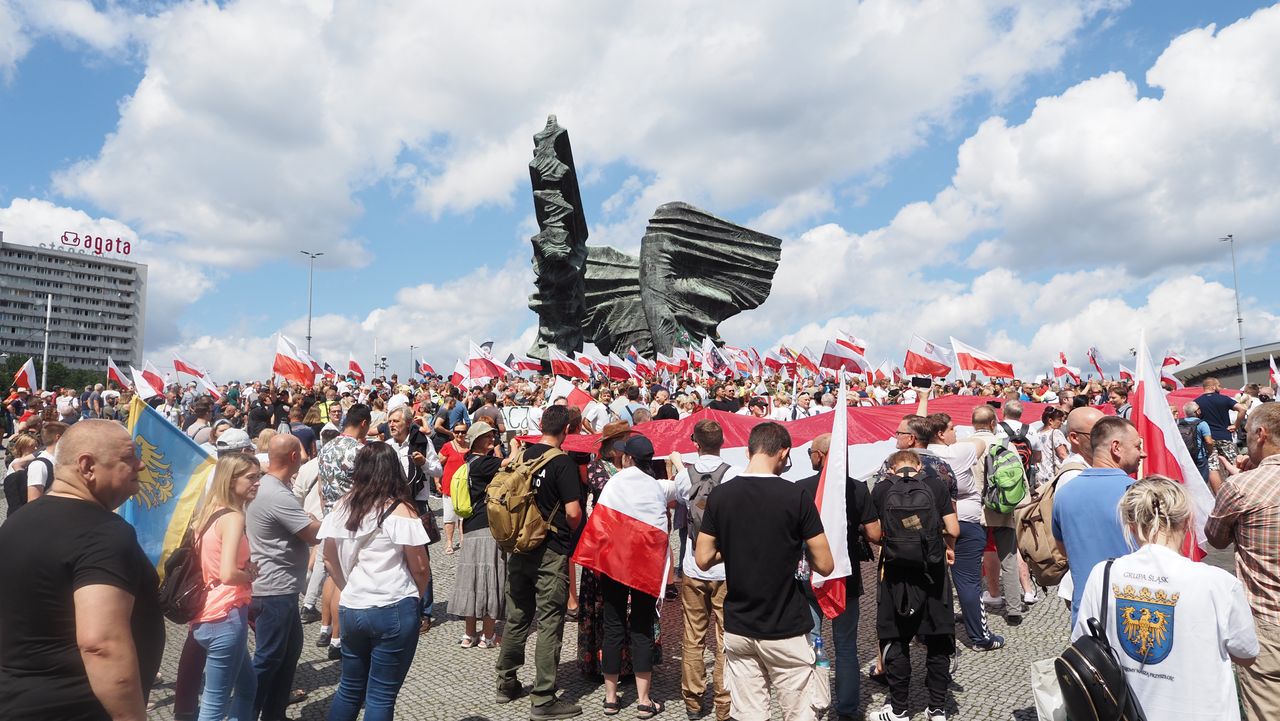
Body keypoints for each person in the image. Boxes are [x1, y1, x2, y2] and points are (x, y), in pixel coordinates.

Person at [0, 420, 165, 721]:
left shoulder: (16, 523)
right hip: (76, 709)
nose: (140, 465)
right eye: (128, 457)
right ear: (87, 466)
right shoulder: (104, 534)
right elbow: (101, 644)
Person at [1075, 477, 1257, 721]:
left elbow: (1082, 644)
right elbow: (1246, 653)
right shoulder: (1219, 583)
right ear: (1188, 521)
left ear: (1130, 523)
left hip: (1127, 712)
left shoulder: (1103, 574)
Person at [695, 422, 834, 721]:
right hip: (785, 625)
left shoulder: (720, 496)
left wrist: (733, 548)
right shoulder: (795, 496)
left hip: (739, 625)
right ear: (784, 453)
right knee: (799, 712)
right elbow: (825, 564)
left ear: (749, 450)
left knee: (748, 715)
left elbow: (703, 557)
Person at [319, 442, 431, 721]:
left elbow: (328, 560)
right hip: (392, 603)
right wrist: (414, 599)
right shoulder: (400, 510)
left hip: (353, 606)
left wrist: (349, 589)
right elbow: (420, 567)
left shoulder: (342, 507)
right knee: (381, 695)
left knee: (348, 689)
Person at [495, 404, 585, 719]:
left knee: (518, 615)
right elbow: (573, 513)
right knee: (550, 620)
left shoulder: (521, 456)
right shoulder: (562, 463)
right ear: (567, 431)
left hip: (518, 545)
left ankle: (506, 683)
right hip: (550, 550)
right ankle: (544, 698)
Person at [576, 433, 674, 718]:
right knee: (642, 627)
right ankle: (644, 700)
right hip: (644, 565)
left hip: (614, 565)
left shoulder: (615, 482)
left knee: (614, 624)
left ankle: (610, 698)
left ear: (628, 458)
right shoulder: (657, 487)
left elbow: (600, 524)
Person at [868, 449, 958, 721]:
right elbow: (954, 529)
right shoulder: (936, 485)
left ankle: (899, 710)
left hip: (895, 574)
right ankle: (938, 708)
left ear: (891, 468)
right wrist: (939, 543)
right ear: (919, 466)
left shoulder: (882, 488)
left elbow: (874, 534)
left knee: (896, 637)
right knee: (938, 637)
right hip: (933, 571)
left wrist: (898, 542)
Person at [795, 432, 879, 721]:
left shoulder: (801, 488)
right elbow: (875, 533)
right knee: (846, 646)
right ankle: (847, 708)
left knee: (811, 643)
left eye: (810, 452)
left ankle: (812, 705)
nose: (809, 456)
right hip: (846, 577)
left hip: (810, 576)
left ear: (819, 455)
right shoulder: (857, 488)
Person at [1206, 403, 1280, 720]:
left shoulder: (1240, 487)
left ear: (1260, 435)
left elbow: (1216, 538)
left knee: (1267, 709)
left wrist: (1242, 480)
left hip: (1267, 620)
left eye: (1247, 434)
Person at [668, 420, 739, 721]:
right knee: (725, 638)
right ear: (722, 442)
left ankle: (693, 699)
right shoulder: (734, 474)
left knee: (693, 636)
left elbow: (673, 502)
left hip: (694, 565)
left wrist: (675, 465)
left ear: (696, 443)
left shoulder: (685, 476)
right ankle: (724, 702)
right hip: (725, 568)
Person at [247, 434, 321, 721]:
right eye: (300, 452)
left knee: (288, 654)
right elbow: (313, 532)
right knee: (269, 658)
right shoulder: (275, 493)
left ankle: (274, 713)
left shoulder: (269, 486)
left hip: (281, 588)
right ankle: (248, 712)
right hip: (273, 589)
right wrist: (318, 519)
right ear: (293, 457)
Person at [1051, 416, 1145, 626]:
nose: (1143, 452)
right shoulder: (1138, 493)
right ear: (1116, 448)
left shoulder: (1064, 493)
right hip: (1133, 614)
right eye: (1137, 446)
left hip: (1086, 615)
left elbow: (1065, 550)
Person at [189, 454, 262, 721]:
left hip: (208, 611)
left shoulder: (208, 512)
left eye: (259, 476)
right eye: (251, 477)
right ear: (231, 481)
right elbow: (228, 573)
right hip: (226, 613)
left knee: (247, 686)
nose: (257, 483)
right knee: (214, 705)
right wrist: (250, 572)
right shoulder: (233, 517)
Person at [577, 421, 633, 680]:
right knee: (600, 603)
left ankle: (629, 662)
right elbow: (603, 490)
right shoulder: (598, 467)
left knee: (630, 604)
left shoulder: (634, 466)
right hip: (603, 543)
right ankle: (599, 661)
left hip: (630, 543)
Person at [450, 422, 509, 649]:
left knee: (471, 580)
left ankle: (469, 635)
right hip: (487, 527)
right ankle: (489, 635)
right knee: (489, 578)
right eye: (488, 436)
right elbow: (510, 462)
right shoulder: (484, 462)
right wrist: (514, 445)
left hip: (471, 526)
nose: (492, 438)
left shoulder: (470, 463)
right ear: (478, 441)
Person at [1195, 378, 1251, 479]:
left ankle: (1217, 493)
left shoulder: (1196, 402)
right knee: (1235, 464)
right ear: (1213, 386)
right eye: (1219, 386)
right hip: (1224, 435)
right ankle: (1237, 487)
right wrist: (1236, 425)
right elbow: (1242, 409)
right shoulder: (1224, 399)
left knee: (1212, 467)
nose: (1220, 388)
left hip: (1208, 439)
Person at [436, 419, 471, 554]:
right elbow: (438, 466)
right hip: (449, 486)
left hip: (466, 487)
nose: (460, 435)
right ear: (453, 432)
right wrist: (437, 482)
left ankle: (463, 540)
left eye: (463, 432)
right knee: (450, 517)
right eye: (457, 432)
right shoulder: (447, 446)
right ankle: (449, 542)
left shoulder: (470, 446)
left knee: (464, 516)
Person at [25, 420, 66, 502]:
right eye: (69, 437)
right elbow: (33, 501)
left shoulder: (60, 459)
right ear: (58, 437)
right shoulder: (39, 465)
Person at [1178, 401, 1215, 485]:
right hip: (1200, 457)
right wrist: (1209, 452)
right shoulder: (1202, 423)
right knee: (1202, 483)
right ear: (1197, 411)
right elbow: (1209, 442)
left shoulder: (1179, 423)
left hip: (1185, 456)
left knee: (1188, 482)